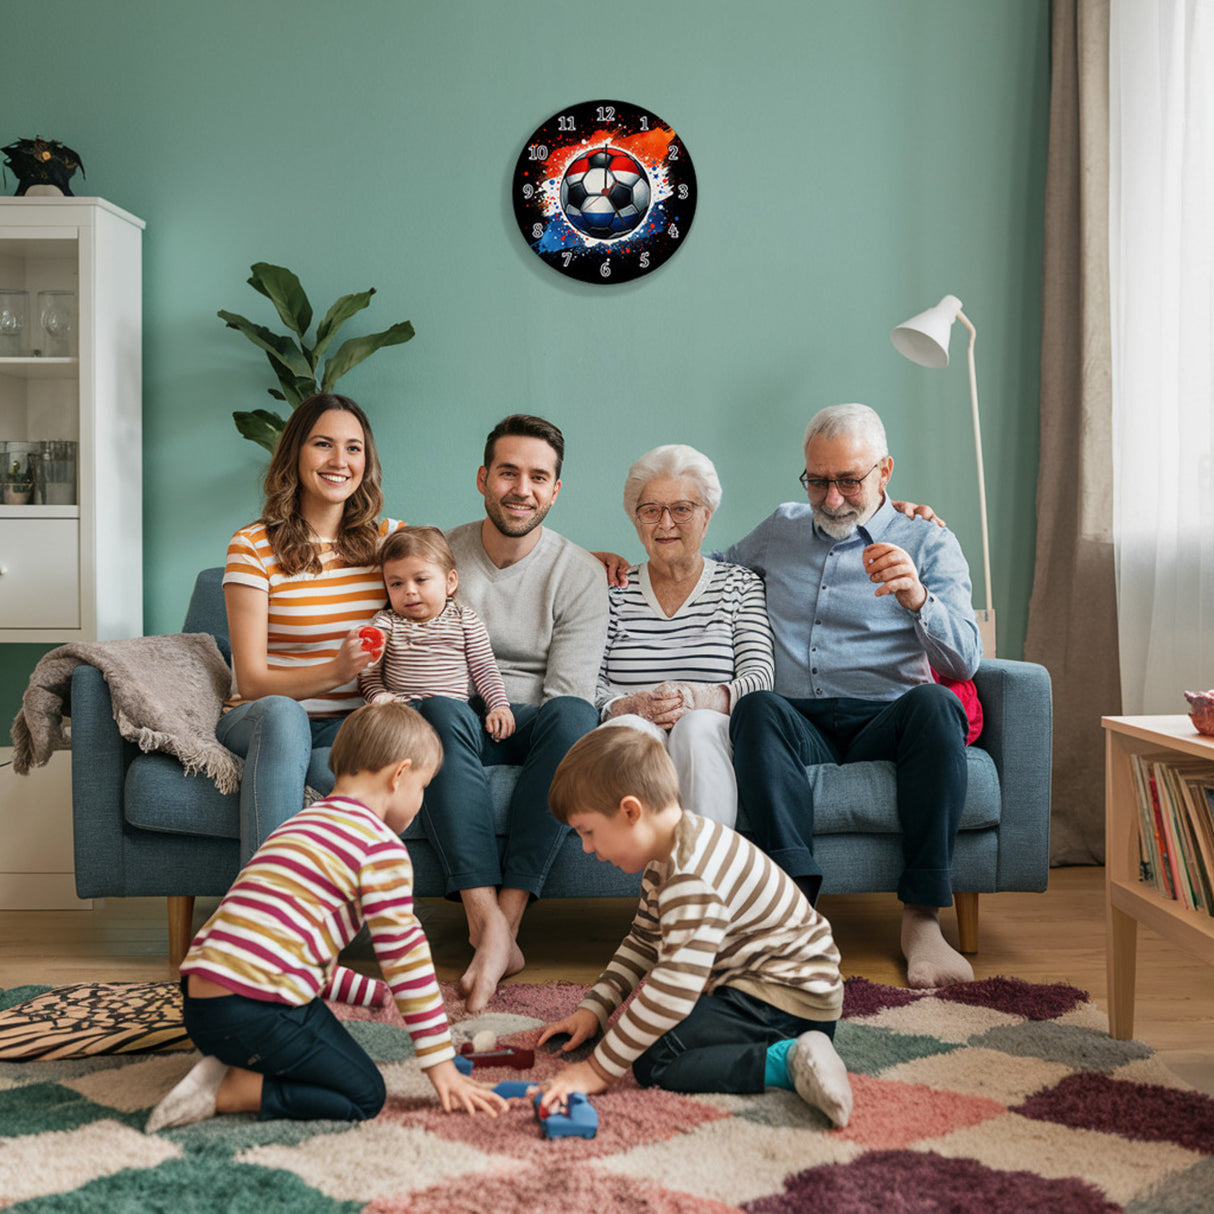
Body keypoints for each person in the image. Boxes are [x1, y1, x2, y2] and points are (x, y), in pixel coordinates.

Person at [146, 701, 506, 1131]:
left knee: (303, 1024)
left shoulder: (299, 825)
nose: (420, 800)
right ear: (400, 774)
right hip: (252, 1012)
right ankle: (232, 1089)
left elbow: (284, 949)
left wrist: (367, 993)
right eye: (423, 786)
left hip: (202, 1009)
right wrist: (440, 1064)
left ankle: (236, 1058)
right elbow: (406, 959)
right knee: (363, 1093)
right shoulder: (379, 846)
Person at [725, 403, 981, 988]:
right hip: (799, 721)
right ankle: (795, 916)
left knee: (937, 705)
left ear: (885, 471)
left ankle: (921, 921)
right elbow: (706, 573)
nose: (832, 497)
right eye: (818, 480)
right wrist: (614, 568)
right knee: (756, 706)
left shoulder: (929, 541)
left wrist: (918, 598)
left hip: (888, 718)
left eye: (849, 480)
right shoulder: (779, 528)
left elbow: (965, 658)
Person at [536, 726, 852, 1128]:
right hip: (772, 989)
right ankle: (789, 1046)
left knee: (656, 1060)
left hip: (787, 1001)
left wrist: (597, 1071)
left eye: (588, 832)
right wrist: (595, 1009)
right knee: (648, 1034)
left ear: (630, 811)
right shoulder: (668, 855)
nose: (587, 848)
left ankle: (787, 1060)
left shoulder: (690, 875)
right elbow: (643, 941)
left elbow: (672, 991)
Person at [417, 414, 609, 1013]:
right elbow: (417, 650)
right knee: (442, 709)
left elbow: (568, 688)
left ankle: (507, 921)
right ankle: (486, 927)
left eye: (537, 477)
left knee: (575, 717)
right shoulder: (441, 556)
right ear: (483, 478)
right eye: (508, 472)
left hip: (533, 722)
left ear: (555, 490)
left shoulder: (579, 572)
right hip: (458, 715)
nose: (520, 489)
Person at [217, 392, 403, 863]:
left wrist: (582, 558)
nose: (340, 461)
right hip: (262, 718)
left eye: (354, 448)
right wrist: (337, 670)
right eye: (323, 444)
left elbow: (467, 562)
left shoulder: (388, 541)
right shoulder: (253, 546)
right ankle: (264, 912)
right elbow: (254, 681)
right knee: (284, 715)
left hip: (349, 726)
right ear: (295, 454)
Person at [595, 444, 774, 826]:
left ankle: (703, 876)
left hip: (711, 731)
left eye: (681, 509)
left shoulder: (739, 584)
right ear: (635, 520)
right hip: (633, 727)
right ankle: (660, 873)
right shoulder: (614, 591)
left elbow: (760, 679)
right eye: (650, 511)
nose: (665, 524)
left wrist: (699, 698)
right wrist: (631, 705)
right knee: (633, 732)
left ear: (706, 517)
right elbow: (585, 681)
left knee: (694, 727)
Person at [358, 525, 515, 742]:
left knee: (446, 714)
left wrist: (498, 706)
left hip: (452, 714)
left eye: (421, 580)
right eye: (396, 584)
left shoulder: (464, 620)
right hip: (402, 717)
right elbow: (368, 674)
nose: (409, 591)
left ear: (450, 582)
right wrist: (380, 697)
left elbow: (485, 669)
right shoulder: (386, 624)